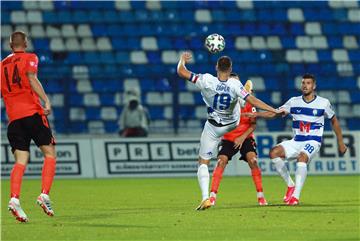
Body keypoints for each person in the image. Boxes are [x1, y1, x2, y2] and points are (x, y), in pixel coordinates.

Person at [177, 52, 283, 210]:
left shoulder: (206, 80)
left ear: (216, 67)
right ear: (230, 68)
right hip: (232, 123)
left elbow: (181, 71)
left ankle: (206, 198)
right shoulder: (234, 83)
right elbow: (254, 101)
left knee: (203, 162)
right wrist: (273, 109)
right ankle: (241, 98)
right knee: (242, 98)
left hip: (213, 127)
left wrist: (182, 60)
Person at [252, 73, 347, 205]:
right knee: (274, 152)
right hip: (297, 140)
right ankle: (290, 186)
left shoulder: (323, 103)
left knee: (302, 157)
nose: (305, 85)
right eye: (303, 83)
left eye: (308, 83)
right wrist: (257, 114)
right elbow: (275, 113)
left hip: (313, 141)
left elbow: (334, 121)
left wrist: (341, 142)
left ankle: (295, 197)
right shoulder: (293, 101)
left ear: (314, 86)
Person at [1, 31, 56, 222]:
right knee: (49, 153)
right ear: (25, 42)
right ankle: (44, 195)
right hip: (32, 113)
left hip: (14, 119)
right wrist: (46, 101)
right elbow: (31, 78)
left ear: (10, 46)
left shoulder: (1, 66)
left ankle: (14, 199)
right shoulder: (30, 57)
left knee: (20, 160)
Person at [210, 74, 268, 206]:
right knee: (220, 161)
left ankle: (261, 196)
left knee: (253, 160)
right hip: (229, 138)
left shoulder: (249, 101)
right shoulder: (223, 103)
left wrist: (242, 138)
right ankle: (212, 196)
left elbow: (253, 124)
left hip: (246, 137)